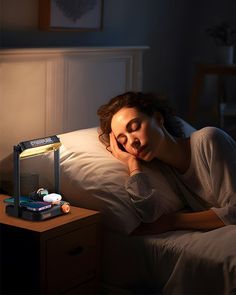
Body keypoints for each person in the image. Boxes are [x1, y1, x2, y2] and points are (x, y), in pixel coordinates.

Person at [97, 91, 236, 235]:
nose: (132, 142)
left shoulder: (209, 140)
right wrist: (132, 163)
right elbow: (151, 217)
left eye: (134, 127)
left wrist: (173, 221)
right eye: (123, 140)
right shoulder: (163, 171)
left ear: (158, 118)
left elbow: (234, 211)